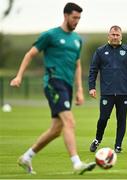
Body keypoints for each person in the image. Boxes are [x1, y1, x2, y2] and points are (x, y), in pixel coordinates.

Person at [10, 2, 96, 175]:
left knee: (56, 130)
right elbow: (30, 54)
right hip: (53, 82)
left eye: (79, 18)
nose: (77, 21)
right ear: (65, 16)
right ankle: (77, 163)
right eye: (74, 17)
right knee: (70, 122)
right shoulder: (50, 35)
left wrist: (80, 89)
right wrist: (19, 76)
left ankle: (26, 157)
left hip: (67, 85)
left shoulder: (77, 40)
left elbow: (77, 65)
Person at [88, 25, 127, 153]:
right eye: (113, 34)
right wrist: (92, 87)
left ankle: (118, 146)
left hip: (123, 92)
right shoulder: (100, 51)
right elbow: (93, 70)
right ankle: (97, 140)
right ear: (108, 36)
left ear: (121, 36)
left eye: (117, 35)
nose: (115, 37)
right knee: (103, 118)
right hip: (107, 92)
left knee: (121, 120)